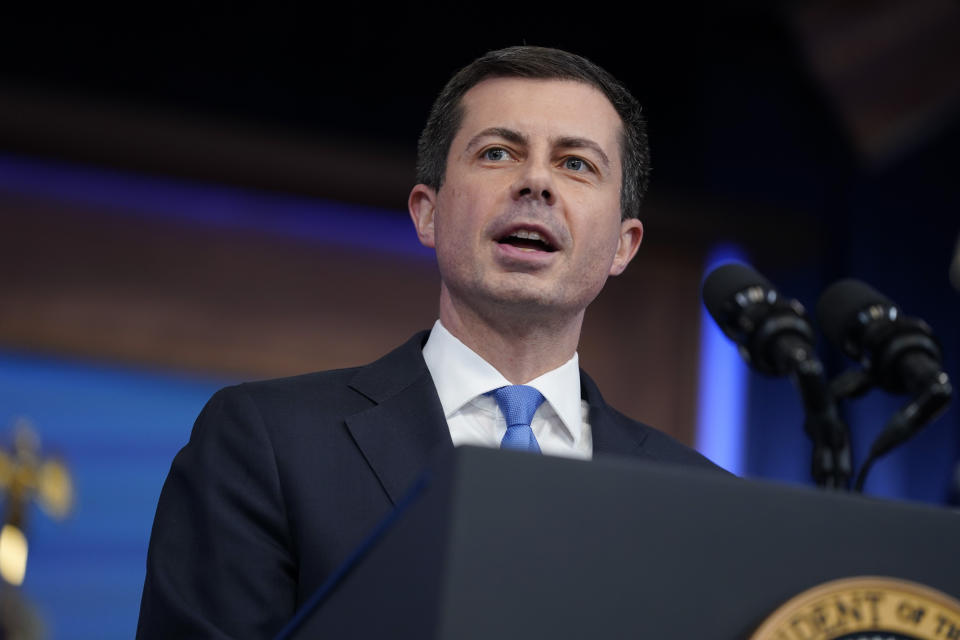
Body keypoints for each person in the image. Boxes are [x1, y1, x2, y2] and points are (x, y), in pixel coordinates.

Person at [136, 45, 723, 639]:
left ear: (624, 245)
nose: (537, 183)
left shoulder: (702, 503)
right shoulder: (266, 443)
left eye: (576, 165)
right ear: (428, 214)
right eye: (498, 152)